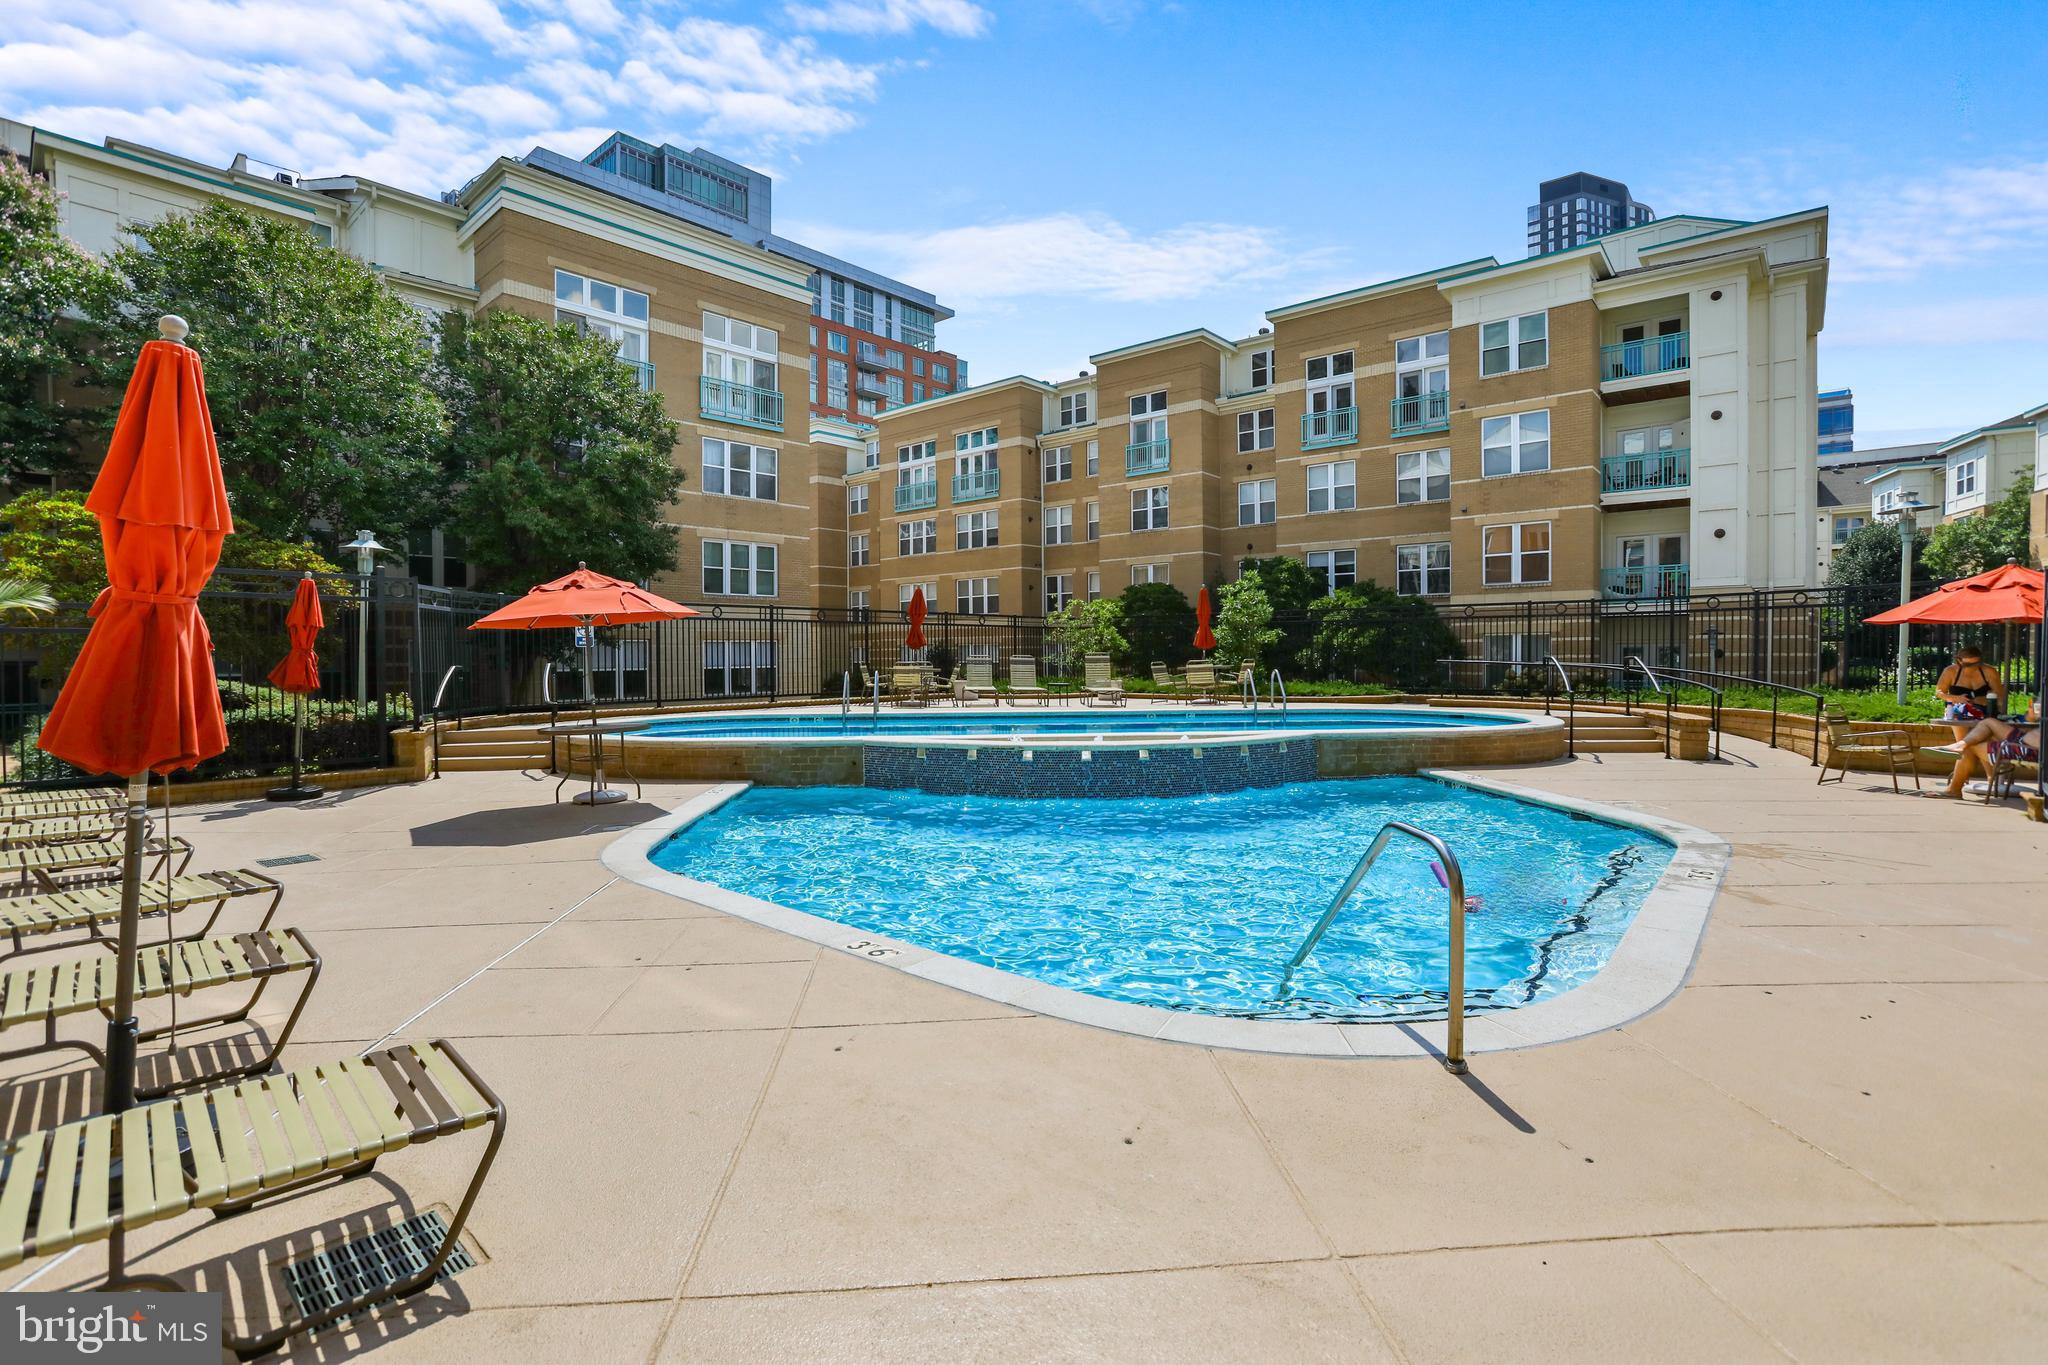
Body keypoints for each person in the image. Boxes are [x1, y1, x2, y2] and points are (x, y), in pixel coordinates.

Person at [1941, 696, 2040, 798]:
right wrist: (2032, 712)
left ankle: (1954, 790)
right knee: (1989, 722)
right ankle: (1960, 744)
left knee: (1970, 747)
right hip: (2023, 740)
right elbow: (2032, 718)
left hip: (2031, 750)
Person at [1934, 646, 2006, 740]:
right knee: (1963, 742)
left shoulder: (1989, 671)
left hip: (1984, 711)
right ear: (1959, 661)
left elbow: (1999, 693)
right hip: (1958, 711)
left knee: (1983, 741)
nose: (1973, 667)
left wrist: (1984, 699)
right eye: (1968, 664)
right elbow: (1939, 693)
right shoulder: (1950, 671)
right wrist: (1957, 698)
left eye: (1977, 664)